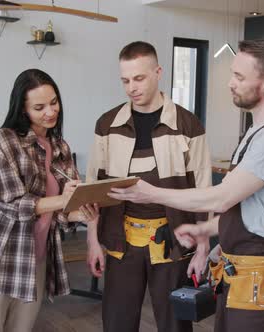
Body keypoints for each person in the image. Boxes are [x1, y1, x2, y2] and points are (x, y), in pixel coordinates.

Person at [109, 39, 264, 332]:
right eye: (232, 74)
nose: (230, 83)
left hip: (259, 276)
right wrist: (206, 231)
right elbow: (248, 209)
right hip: (239, 272)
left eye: (239, 76)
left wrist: (150, 192)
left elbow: (222, 198)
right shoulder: (257, 131)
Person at [85, 41, 213, 332]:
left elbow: (205, 192)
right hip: (121, 242)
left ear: (158, 72)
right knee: (117, 323)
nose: (132, 87)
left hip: (173, 242)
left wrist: (204, 246)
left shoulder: (188, 124)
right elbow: (92, 191)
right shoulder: (107, 124)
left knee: (175, 325)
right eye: (125, 80)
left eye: (139, 78)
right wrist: (93, 240)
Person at [0, 69, 98, 332]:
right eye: (39, 107)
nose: (50, 112)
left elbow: (61, 210)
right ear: (23, 110)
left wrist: (82, 212)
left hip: (35, 261)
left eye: (54, 102)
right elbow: (12, 204)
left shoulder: (60, 146)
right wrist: (63, 200)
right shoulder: (3, 141)